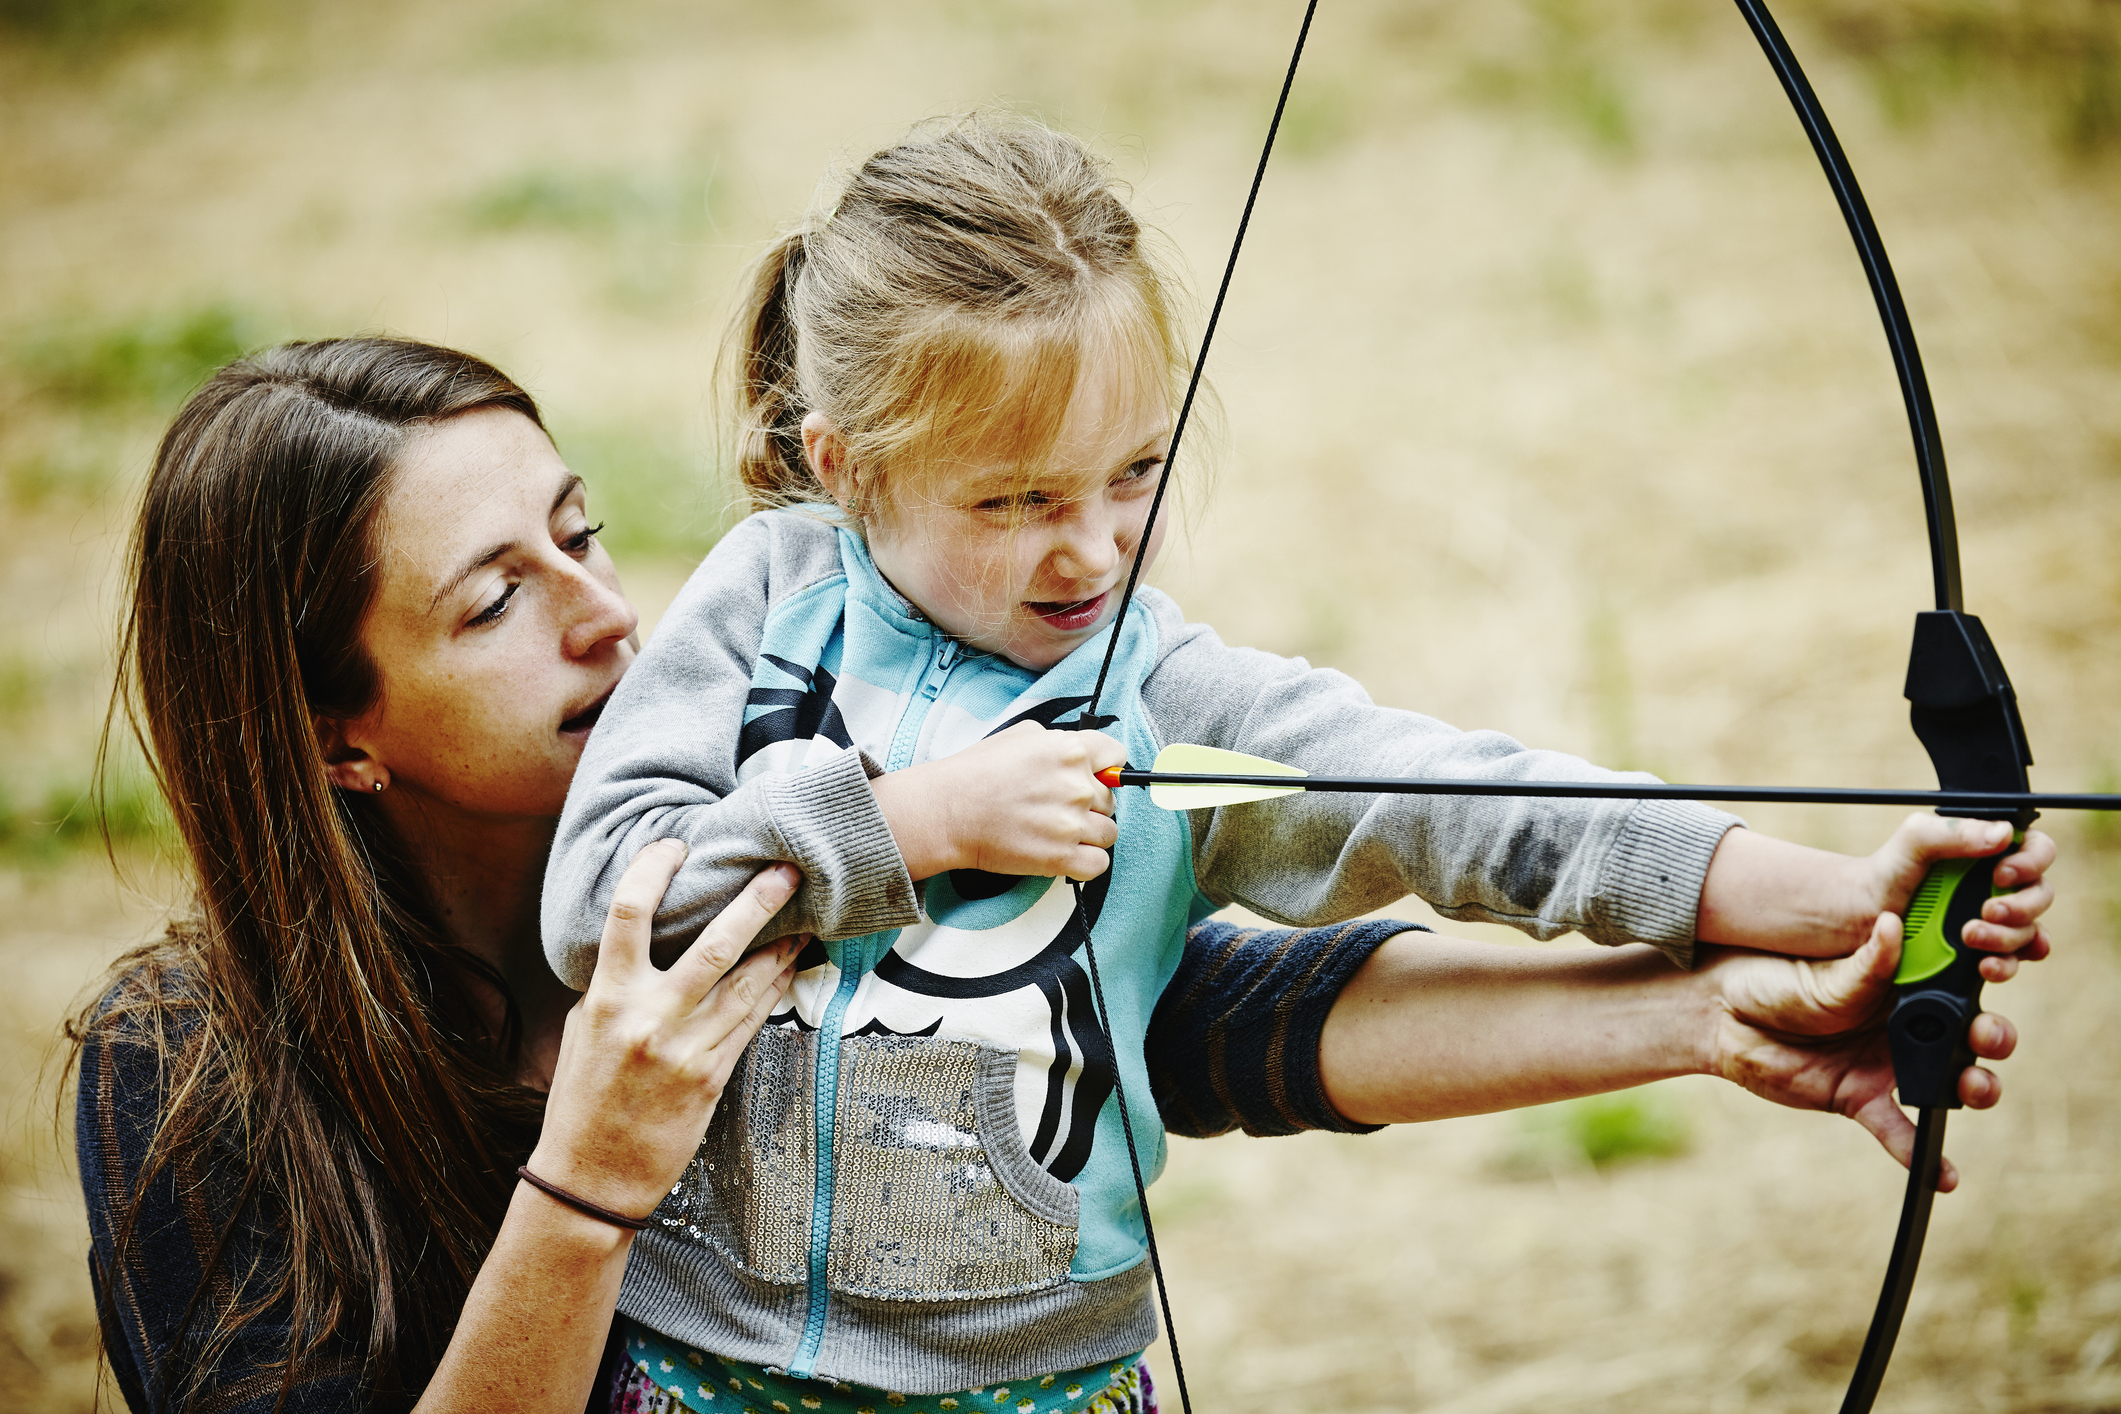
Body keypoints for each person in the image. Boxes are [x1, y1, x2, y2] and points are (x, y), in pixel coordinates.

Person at [538, 117, 2056, 1414]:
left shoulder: (1161, 694)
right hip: (696, 1365)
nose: (1093, 544)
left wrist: (1828, 901)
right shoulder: (764, 607)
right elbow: (603, 900)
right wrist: (916, 820)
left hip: (1038, 1377)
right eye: (1011, 498)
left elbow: (1445, 802)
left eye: (1134, 472)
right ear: (841, 463)